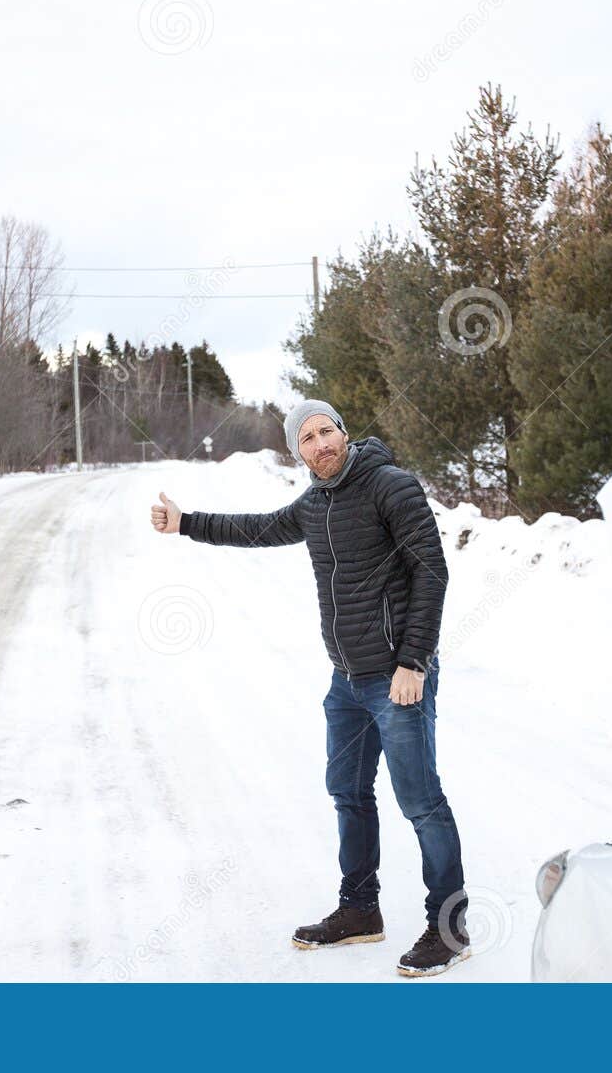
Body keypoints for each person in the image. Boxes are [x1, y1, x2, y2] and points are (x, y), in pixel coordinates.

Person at [149, 399, 469, 977]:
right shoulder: (316, 502)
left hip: (398, 676)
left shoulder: (391, 486)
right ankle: (359, 910)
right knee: (347, 790)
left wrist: (414, 661)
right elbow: (258, 529)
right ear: (297, 451)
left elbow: (431, 572)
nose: (320, 443)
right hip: (346, 681)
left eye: (327, 431)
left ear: (344, 433)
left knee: (420, 801)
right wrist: (187, 523)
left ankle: (449, 927)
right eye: (307, 437)